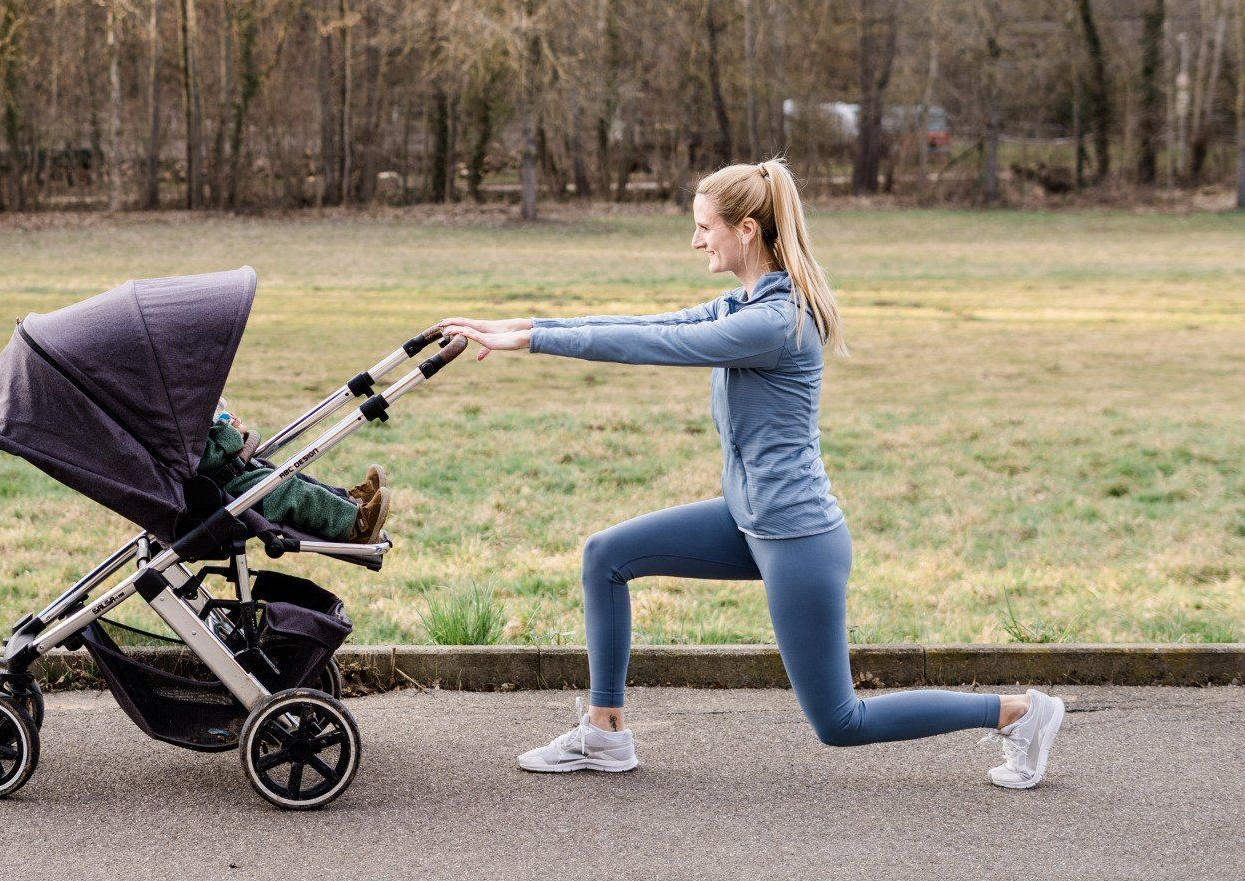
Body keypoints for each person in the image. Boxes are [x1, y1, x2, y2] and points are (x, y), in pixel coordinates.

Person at [434, 158, 1065, 789]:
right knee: (606, 555)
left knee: (840, 721)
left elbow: (658, 347)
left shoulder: (773, 323)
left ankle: (1019, 712)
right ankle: (604, 734)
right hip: (747, 517)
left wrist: (532, 341)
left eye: (705, 227)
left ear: (746, 230)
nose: (696, 240)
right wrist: (516, 328)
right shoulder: (747, 302)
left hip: (795, 537)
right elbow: (650, 324)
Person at [201, 404, 391, 545]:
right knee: (288, 491)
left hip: (221, 484)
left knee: (283, 476)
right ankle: (355, 527)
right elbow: (210, 457)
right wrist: (231, 432)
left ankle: (351, 501)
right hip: (216, 497)